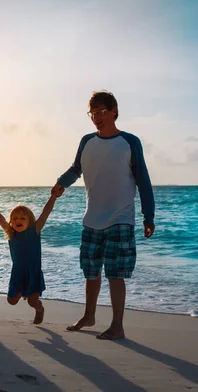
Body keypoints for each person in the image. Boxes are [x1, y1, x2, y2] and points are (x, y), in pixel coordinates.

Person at [52, 90, 155, 339]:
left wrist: (148, 216)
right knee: (90, 271)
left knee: (115, 273)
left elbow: (143, 180)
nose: (96, 118)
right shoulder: (87, 141)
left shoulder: (130, 142)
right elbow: (76, 169)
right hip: (91, 219)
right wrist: (61, 183)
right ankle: (89, 316)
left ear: (114, 111)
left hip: (120, 218)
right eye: (92, 113)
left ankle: (117, 325)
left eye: (101, 112)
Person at [0, 194, 58, 324]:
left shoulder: (35, 230)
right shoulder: (11, 233)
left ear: (30, 220)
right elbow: (0, 219)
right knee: (12, 301)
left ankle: (40, 309)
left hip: (33, 272)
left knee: (32, 302)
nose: (18, 220)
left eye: (22, 218)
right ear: (11, 222)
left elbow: (46, 212)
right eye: (14, 218)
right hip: (18, 273)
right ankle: (21, 293)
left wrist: (53, 197)